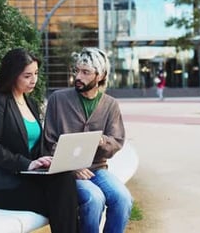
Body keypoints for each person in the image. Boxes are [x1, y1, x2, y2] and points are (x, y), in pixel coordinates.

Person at [0, 48, 79, 233]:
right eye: (27, 75)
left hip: (25, 177)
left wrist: (44, 160)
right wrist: (26, 164)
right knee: (63, 204)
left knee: (65, 180)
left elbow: (32, 144)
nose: (34, 80)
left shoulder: (30, 103)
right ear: (12, 75)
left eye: (36, 74)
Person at [43, 47, 133, 233]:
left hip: (97, 169)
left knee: (123, 199)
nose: (78, 76)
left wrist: (102, 141)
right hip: (66, 172)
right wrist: (71, 166)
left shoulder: (110, 105)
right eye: (76, 71)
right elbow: (49, 141)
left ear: (99, 76)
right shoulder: (57, 100)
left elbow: (116, 141)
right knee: (94, 199)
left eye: (85, 72)